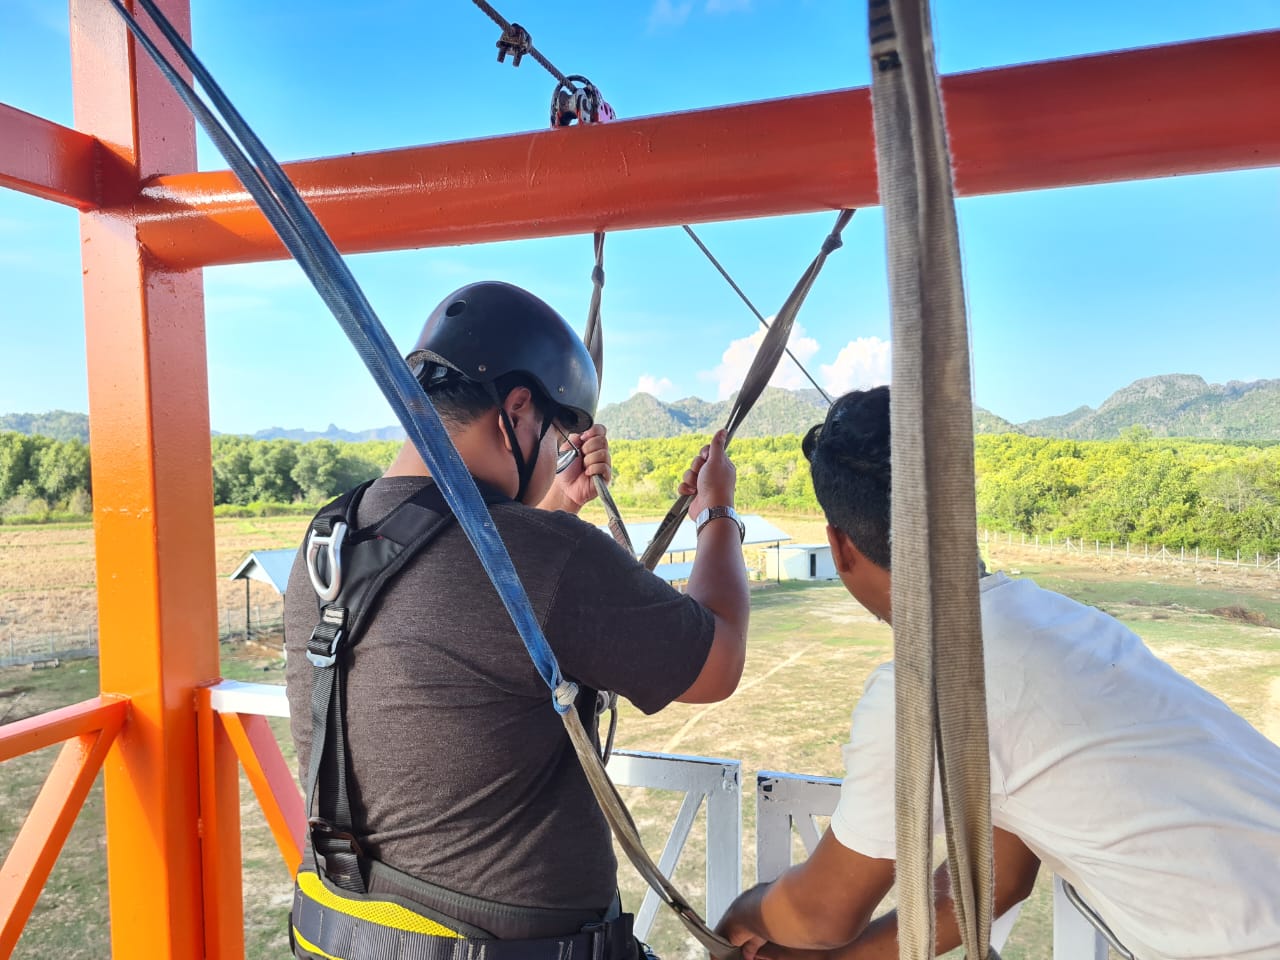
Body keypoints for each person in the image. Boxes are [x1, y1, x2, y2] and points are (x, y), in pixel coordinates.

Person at [717, 385, 1280, 960]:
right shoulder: (1060, 621)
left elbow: (822, 913)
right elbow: (997, 880)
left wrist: (741, 914)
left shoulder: (929, 685)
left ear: (839, 547)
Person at [283, 281, 750, 960]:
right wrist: (717, 516)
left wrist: (556, 502)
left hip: (348, 937)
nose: (561, 451)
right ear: (516, 411)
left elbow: (460, 602)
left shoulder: (328, 539)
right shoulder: (544, 556)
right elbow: (719, 659)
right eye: (558, 432)